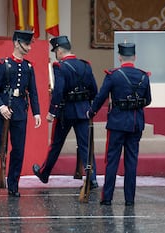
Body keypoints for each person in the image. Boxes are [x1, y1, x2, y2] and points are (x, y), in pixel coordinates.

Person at [87, 42, 152, 206]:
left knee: (112, 161)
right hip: (136, 124)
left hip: (117, 124)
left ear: (120, 57)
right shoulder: (144, 76)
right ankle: (129, 199)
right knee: (131, 162)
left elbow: (101, 97)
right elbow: (148, 100)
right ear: (135, 57)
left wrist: (91, 112)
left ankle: (107, 197)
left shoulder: (113, 75)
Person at [32, 35, 99, 189]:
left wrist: (51, 112)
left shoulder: (60, 67)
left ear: (60, 51)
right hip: (83, 111)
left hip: (65, 112)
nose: (56, 53)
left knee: (56, 144)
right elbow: (94, 89)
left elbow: (58, 92)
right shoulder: (85, 65)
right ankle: (92, 178)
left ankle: (44, 173)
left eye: (56, 51)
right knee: (86, 146)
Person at [0, 30, 42, 197]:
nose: (29, 47)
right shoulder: (3, 64)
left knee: (18, 150)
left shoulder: (28, 67)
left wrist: (36, 113)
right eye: (26, 44)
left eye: (30, 44)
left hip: (20, 112)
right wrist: (1, 106)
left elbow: (33, 92)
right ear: (16, 43)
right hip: (2, 113)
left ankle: (13, 184)